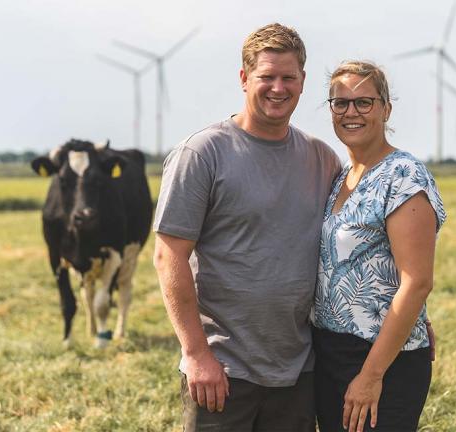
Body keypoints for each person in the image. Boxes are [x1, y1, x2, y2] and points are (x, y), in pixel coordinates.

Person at [152, 23, 342, 431]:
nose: (278, 88)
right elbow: (169, 256)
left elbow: (353, 249)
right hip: (221, 370)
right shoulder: (202, 153)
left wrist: (409, 316)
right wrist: (196, 355)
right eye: (266, 77)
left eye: (288, 77)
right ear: (243, 78)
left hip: (297, 370)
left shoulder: (323, 159)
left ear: (303, 81)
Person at [311, 60, 447, 432]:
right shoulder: (342, 177)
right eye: (340, 103)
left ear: (386, 108)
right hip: (330, 353)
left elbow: (416, 281)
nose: (350, 112)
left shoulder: (404, 175)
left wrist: (370, 375)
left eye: (364, 102)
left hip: (382, 361)